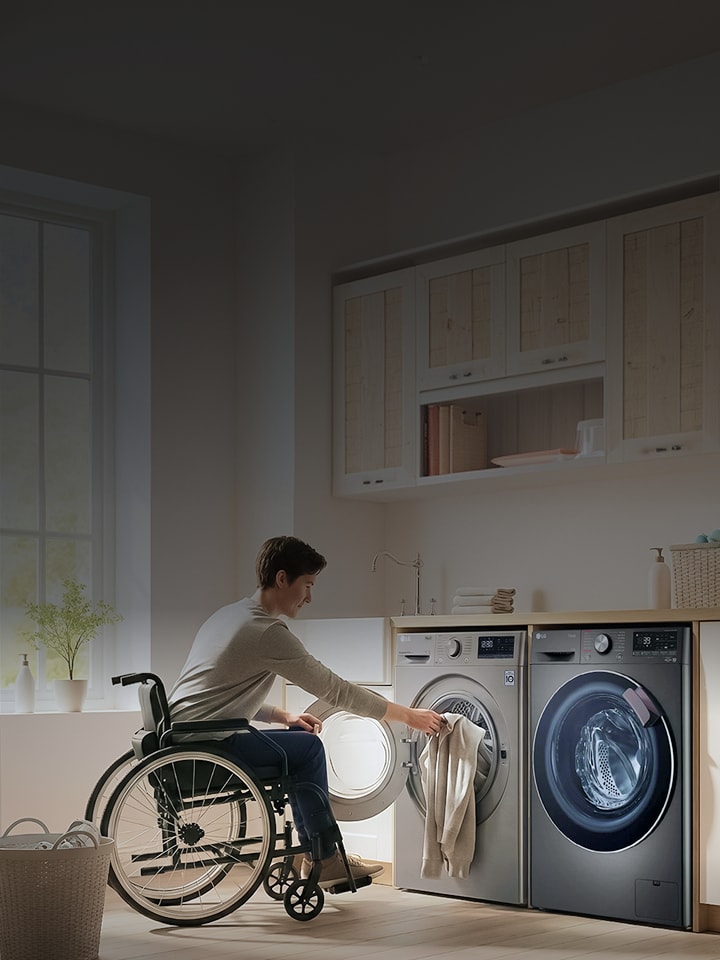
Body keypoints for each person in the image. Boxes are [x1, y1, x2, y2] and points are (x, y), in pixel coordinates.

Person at [168, 535, 445, 888]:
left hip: (186, 737)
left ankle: (310, 851)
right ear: (282, 579)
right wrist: (407, 716)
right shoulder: (267, 631)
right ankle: (325, 858)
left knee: (298, 739)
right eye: (307, 585)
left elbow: (218, 695)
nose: (310, 597)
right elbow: (335, 690)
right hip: (209, 747)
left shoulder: (229, 615)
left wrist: (282, 716)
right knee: (309, 748)